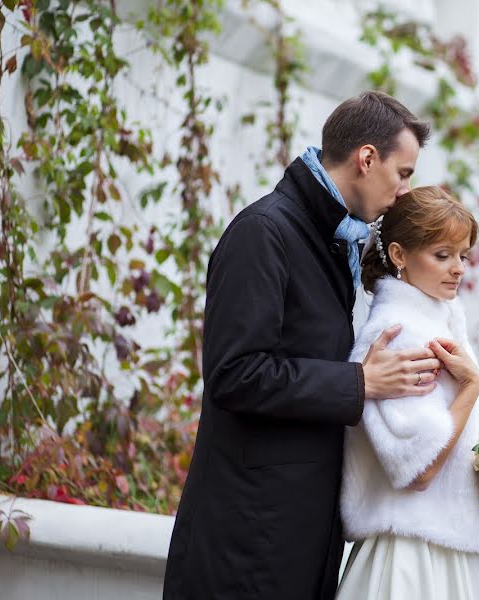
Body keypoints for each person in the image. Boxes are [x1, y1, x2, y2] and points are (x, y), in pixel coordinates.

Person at [163, 92, 438, 599]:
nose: (405, 190)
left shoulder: (331, 239)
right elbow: (235, 373)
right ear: (367, 158)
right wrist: (361, 382)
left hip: (292, 535)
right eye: (403, 173)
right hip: (246, 543)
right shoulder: (264, 233)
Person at [337, 186, 479, 600]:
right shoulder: (399, 334)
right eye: (442, 255)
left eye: (462, 255)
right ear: (400, 255)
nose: (458, 268)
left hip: (443, 548)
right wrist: (471, 387)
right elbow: (418, 468)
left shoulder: (440, 324)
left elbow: (450, 452)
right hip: (407, 556)